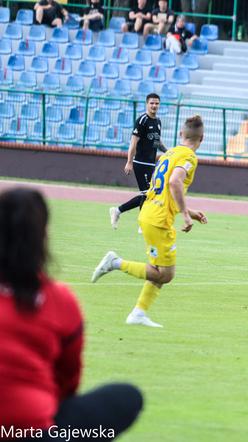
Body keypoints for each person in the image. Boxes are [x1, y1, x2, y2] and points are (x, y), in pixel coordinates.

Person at [0, 188, 143, 438]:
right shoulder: (58, 300)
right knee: (128, 397)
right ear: (42, 237)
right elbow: (67, 384)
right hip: (35, 432)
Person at [93, 116, 208, 328]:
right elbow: (174, 181)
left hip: (150, 213)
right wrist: (183, 214)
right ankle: (114, 263)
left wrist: (189, 212)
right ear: (202, 138)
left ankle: (138, 313)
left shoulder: (169, 154)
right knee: (166, 274)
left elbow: (164, 188)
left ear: (181, 134)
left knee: (159, 271)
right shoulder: (189, 157)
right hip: (159, 220)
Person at [110, 94, 166, 230]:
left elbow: (157, 142)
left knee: (148, 194)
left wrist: (168, 151)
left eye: (157, 103)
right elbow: (133, 142)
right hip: (140, 163)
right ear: (147, 104)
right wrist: (129, 161)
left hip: (152, 163)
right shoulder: (142, 120)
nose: (154, 106)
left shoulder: (158, 121)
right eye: (152, 103)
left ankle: (118, 211)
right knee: (147, 193)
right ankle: (141, 224)